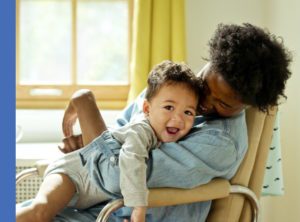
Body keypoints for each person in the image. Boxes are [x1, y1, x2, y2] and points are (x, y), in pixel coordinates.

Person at [17, 23, 292, 222]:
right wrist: (89, 142)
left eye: (224, 104)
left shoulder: (222, 143)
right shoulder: (173, 88)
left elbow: (114, 176)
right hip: (88, 202)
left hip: (120, 213)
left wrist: (85, 106)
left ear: (246, 105)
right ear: (208, 62)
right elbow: (120, 130)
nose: (205, 102)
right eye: (207, 85)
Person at [16, 60, 203, 222]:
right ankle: (82, 98)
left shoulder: (171, 136)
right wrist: (138, 207)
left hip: (90, 191)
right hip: (73, 174)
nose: (178, 119)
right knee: (39, 213)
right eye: (169, 107)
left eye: (188, 112)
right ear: (146, 109)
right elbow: (131, 159)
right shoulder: (142, 130)